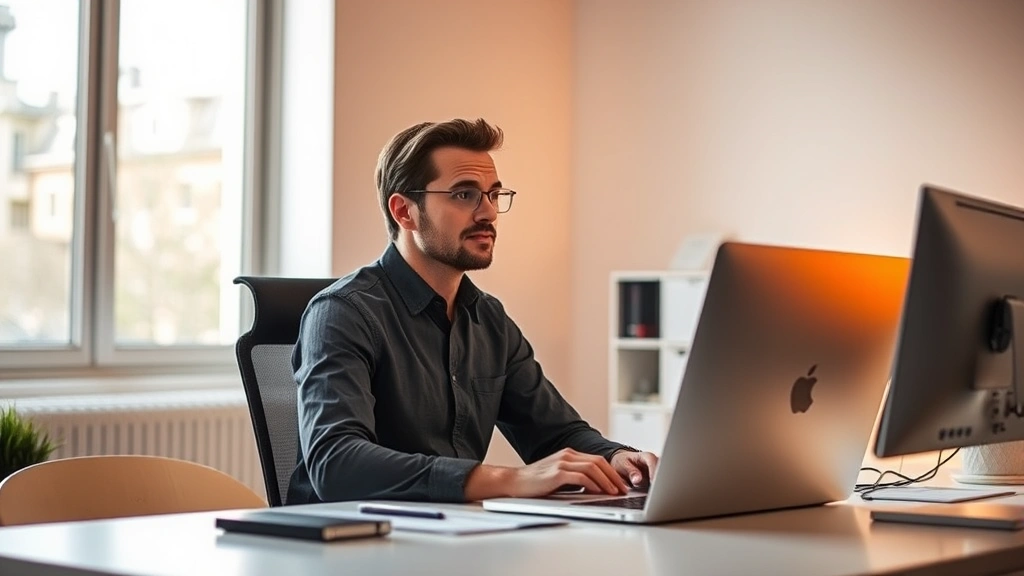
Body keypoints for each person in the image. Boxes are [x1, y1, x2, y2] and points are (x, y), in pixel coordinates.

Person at [287, 118, 659, 504]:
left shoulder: (489, 321)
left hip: (447, 538)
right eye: (465, 195)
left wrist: (619, 459)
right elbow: (336, 464)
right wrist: (510, 479)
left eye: (493, 195)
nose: (489, 213)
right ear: (404, 212)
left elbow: (556, 436)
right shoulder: (343, 314)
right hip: (347, 547)